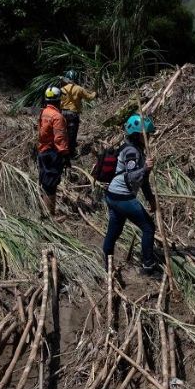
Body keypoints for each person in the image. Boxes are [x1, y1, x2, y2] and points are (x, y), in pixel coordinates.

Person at [102, 114, 158, 275]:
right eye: (146, 135)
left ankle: (107, 261)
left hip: (113, 195)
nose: (149, 137)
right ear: (138, 135)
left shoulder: (136, 149)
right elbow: (132, 176)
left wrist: (150, 198)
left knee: (115, 228)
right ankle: (147, 265)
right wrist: (145, 168)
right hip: (121, 196)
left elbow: (143, 180)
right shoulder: (131, 151)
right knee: (148, 227)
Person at [37, 86, 70, 220]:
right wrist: (66, 155)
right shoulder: (57, 117)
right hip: (52, 153)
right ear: (58, 100)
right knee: (51, 184)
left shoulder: (43, 112)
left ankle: (43, 212)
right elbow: (60, 138)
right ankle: (50, 215)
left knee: (44, 182)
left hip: (42, 150)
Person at [60, 70, 96, 158]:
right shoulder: (79, 89)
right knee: (72, 134)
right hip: (73, 114)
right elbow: (89, 98)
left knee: (64, 133)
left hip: (62, 114)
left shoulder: (62, 89)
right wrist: (95, 93)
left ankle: (62, 151)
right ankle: (71, 154)